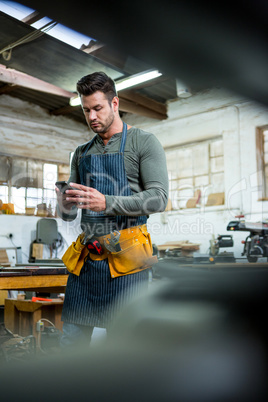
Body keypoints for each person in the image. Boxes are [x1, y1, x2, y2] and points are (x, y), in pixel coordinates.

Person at [56, 71, 169, 348]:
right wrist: (64, 204)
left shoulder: (143, 142)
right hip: (87, 261)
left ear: (115, 104)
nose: (92, 116)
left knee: (123, 347)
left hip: (128, 262)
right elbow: (70, 215)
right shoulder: (81, 153)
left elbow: (158, 198)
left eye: (98, 108)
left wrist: (107, 202)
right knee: (71, 343)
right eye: (86, 110)